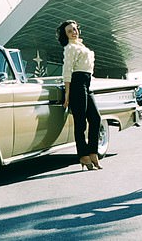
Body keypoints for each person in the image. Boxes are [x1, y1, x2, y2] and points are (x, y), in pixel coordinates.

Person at [56, 20, 102, 171]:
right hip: (76, 84)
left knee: (95, 118)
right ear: (65, 34)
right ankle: (83, 155)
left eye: (75, 29)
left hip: (86, 84)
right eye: (69, 31)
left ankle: (93, 152)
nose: (73, 32)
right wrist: (68, 94)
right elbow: (67, 71)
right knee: (81, 122)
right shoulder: (70, 48)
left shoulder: (81, 46)